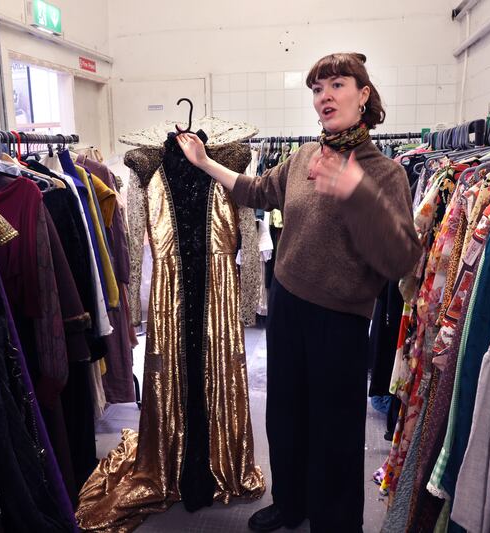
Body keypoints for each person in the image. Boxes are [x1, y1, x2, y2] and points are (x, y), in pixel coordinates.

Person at [177, 52, 421, 532]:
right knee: (286, 416)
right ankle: (291, 504)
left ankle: (335, 521)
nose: (325, 96)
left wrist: (357, 192)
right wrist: (205, 164)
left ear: (363, 95)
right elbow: (256, 190)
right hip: (288, 303)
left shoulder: (384, 173)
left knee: (335, 431)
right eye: (317, 88)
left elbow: (400, 260)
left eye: (337, 85)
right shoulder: (305, 156)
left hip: (340, 319)